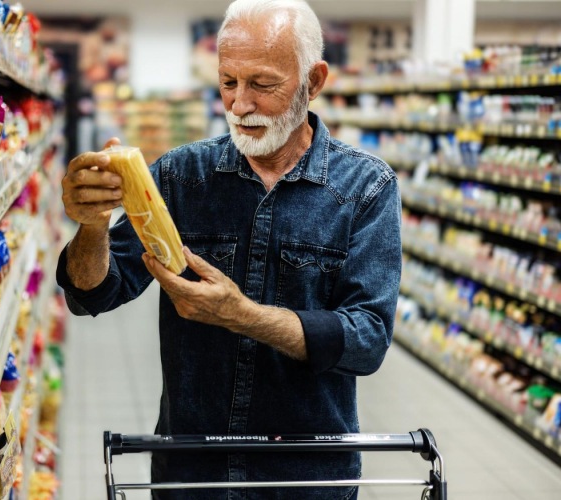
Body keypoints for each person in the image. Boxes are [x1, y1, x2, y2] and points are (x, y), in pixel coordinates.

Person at [56, 0, 402, 498]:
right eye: (228, 82)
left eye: (262, 84)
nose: (240, 105)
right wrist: (91, 227)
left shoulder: (366, 188)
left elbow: (366, 339)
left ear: (314, 80)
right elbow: (92, 294)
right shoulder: (178, 177)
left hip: (305, 478)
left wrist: (244, 315)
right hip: (193, 474)